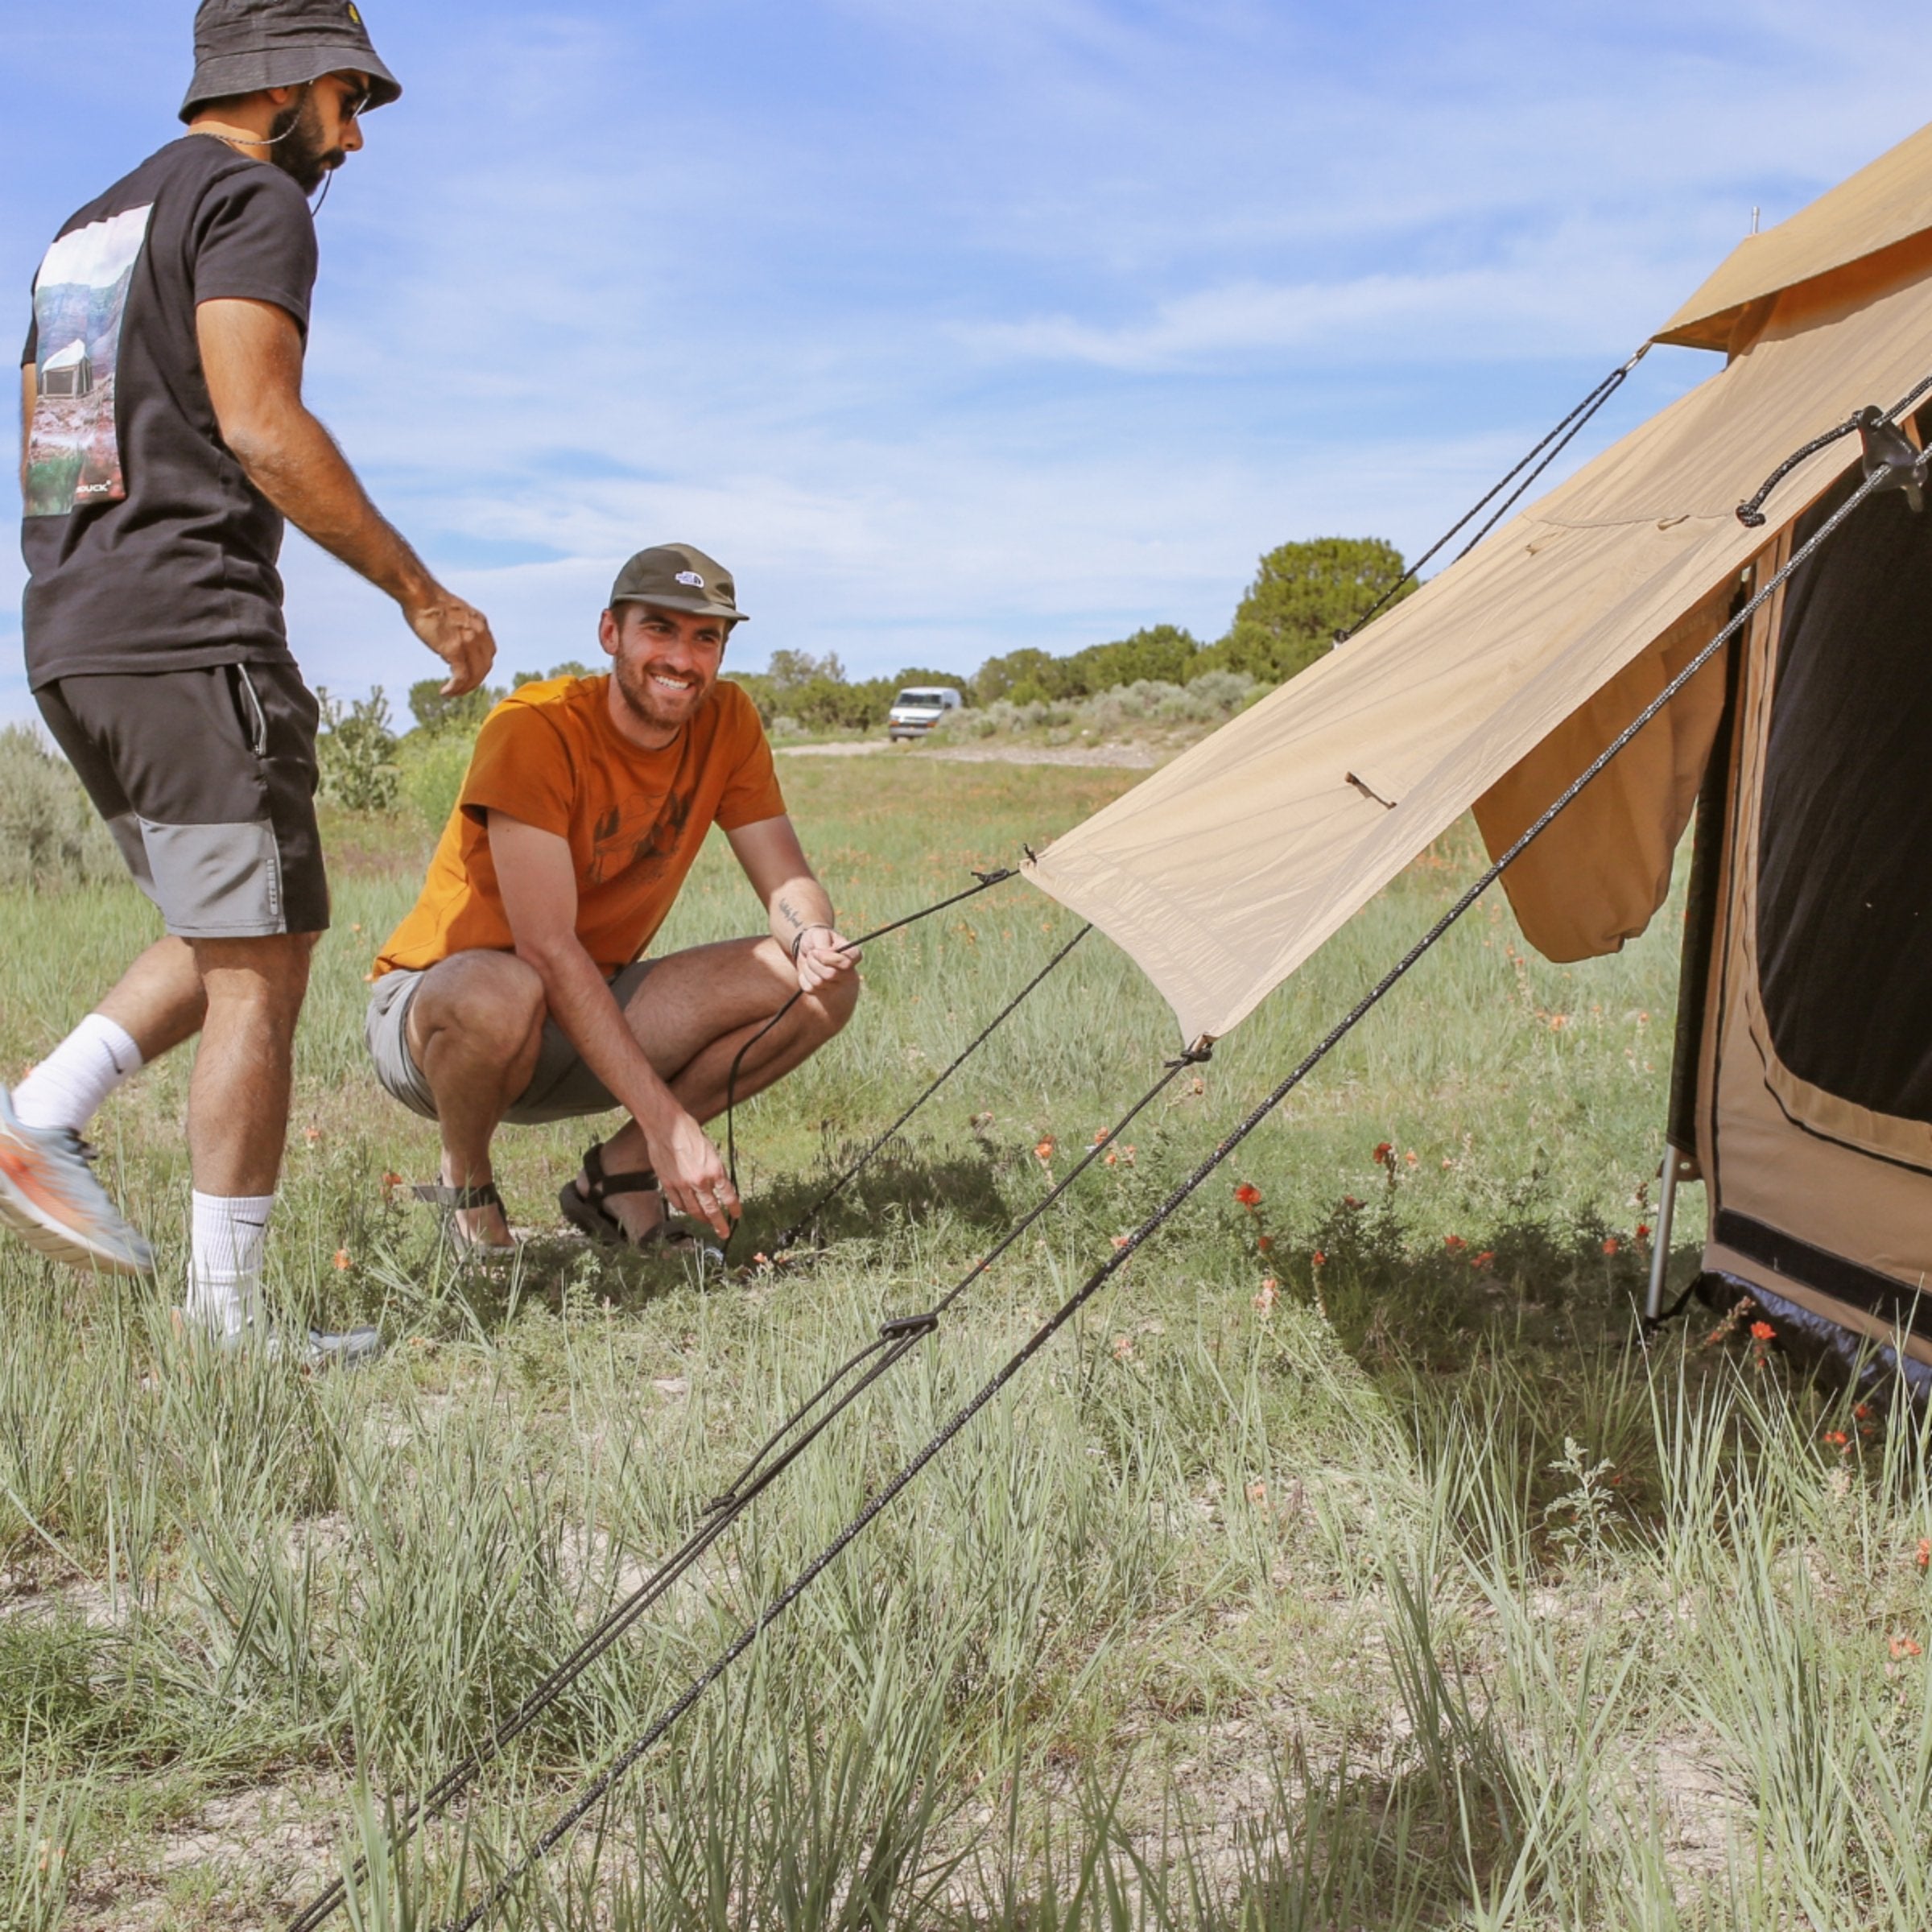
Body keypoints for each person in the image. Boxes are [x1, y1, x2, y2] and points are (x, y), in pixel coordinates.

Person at [0, 1, 497, 1360]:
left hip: (75, 629)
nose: (353, 132)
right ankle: (223, 1321)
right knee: (263, 977)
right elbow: (263, 426)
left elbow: (62, 448)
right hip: (189, 627)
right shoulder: (251, 196)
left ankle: (47, 1104)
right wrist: (422, 594)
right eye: (348, 97)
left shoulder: (89, 228)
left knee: (234, 930)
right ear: (276, 81)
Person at [364, 544, 860, 1251]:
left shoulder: (729, 722)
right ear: (610, 635)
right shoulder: (535, 728)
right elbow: (543, 946)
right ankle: (466, 1187)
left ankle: (618, 1174)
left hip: (583, 1009)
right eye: (659, 628)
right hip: (440, 1017)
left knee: (823, 987)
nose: (683, 659)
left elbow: (786, 878)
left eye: (705, 638)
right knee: (502, 989)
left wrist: (810, 934)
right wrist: (672, 1126)